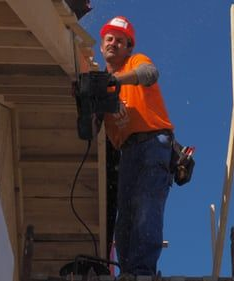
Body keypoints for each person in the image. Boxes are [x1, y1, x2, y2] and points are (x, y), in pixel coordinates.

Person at [98, 16, 174, 279]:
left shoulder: (136, 62)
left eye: (121, 41)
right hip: (127, 152)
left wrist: (118, 81)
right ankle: (129, 273)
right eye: (110, 39)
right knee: (126, 217)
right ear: (101, 45)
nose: (114, 44)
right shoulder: (100, 84)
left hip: (153, 142)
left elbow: (150, 74)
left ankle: (142, 272)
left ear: (129, 48)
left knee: (146, 206)